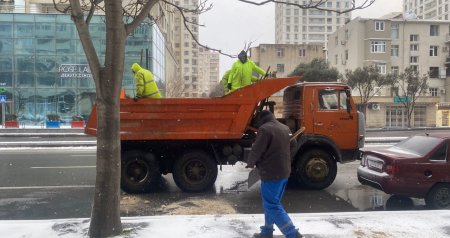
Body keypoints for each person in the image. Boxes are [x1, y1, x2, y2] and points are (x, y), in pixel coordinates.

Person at [246, 110, 302, 238]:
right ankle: (267, 231)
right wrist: (285, 158)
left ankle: (292, 233)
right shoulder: (284, 127)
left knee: (272, 205)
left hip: (271, 173)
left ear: (261, 120)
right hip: (284, 171)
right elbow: (293, 145)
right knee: (271, 203)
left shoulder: (265, 129)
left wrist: (250, 162)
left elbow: (257, 148)